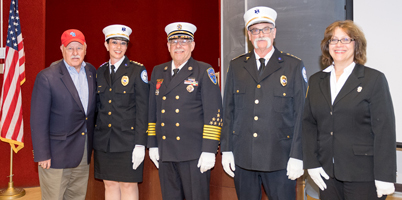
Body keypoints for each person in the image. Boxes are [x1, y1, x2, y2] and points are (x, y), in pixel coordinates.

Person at [221, 6, 308, 200]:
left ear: (274, 32)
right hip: (243, 158)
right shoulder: (236, 66)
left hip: (280, 159)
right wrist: (226, 149)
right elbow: (229, 110)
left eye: (266, 29)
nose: (261, 34)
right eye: (255, 30)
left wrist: (298, 155)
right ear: (249, 35)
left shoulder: (293, 66)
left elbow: (302, 114)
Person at [303, 20, 396, 200]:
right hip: (326, 173)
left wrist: (385, 176)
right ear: (327, 45)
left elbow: (384, 130)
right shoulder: (316, 81)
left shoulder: (373, 79)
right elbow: (309, 124)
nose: (339, 45)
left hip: (363, 174)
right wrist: (311, 163)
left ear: (356, 44)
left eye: (346, 40)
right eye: (334, 40)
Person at [147, 22, 222, 200]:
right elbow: (152, 110)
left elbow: (214, 112)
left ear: (192, 45)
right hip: (166, 152)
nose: (178, 45)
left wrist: (209, 149)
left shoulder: (204, 70)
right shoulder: (159, 71)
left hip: (194, 154)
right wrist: (153, 144)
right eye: (174, 41)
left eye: (184, 41)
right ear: (168, 46)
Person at [31, 29, 96, 200]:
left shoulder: (91, 72)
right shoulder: (47, 77)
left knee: (77, 197)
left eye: (79, 48)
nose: (75, 53)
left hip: (82, 154)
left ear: (86, 48)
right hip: (55, 156)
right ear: (62, 49)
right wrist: (42, 153)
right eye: (70, 48)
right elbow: (38, 120)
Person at [93, 24, 149, 200]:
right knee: (109, 183)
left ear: (127, 46)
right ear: (106, 45)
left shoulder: (137, 71)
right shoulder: (99, 72)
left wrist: (140, 144)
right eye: (114, 42)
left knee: (128, 184)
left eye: (123, 43)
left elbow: (143, 110)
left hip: (128, 141)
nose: (118, 47)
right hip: (105, 142)